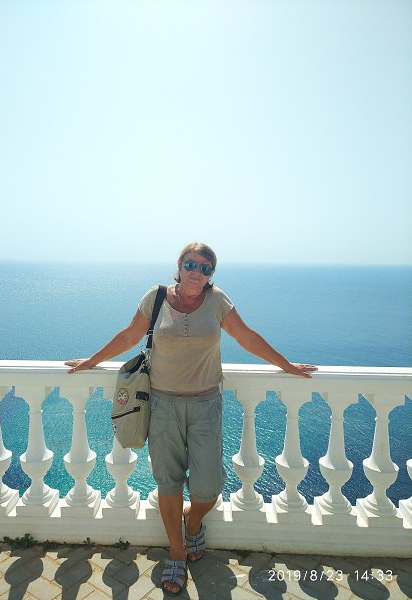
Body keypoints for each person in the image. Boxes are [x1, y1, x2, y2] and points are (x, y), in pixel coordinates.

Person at [65, 242, 316, 595]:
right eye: (191, 264)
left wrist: (286, 365)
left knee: (209, 486)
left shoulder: (218, 301)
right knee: (167, 482)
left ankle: (192, 520)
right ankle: (177, 553)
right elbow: (129, 335)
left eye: (205, 267)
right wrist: (91, 361)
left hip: (206, 404)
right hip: (162, 404)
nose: (197, 271)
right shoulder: (155, 297)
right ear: (179, 266)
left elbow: (247, 337)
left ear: (212, 274)